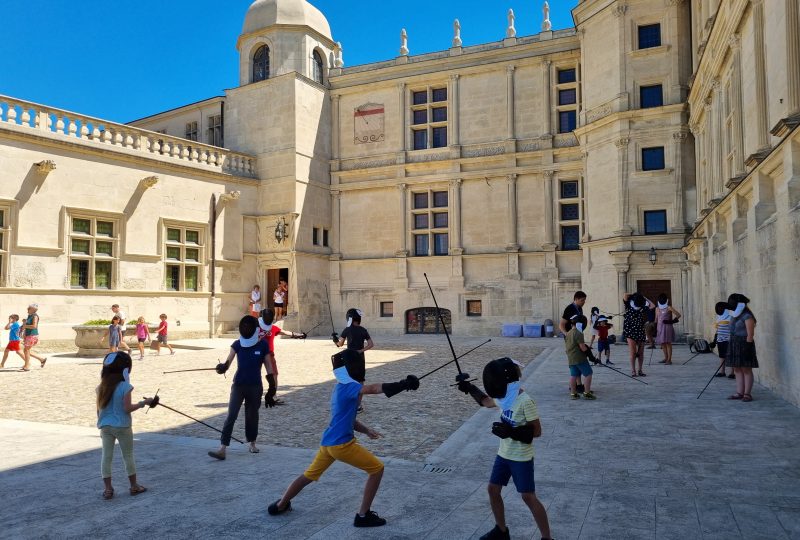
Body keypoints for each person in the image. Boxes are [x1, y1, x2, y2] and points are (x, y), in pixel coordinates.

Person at [267, 349, 419, 527]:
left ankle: (281, 504)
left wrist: (367, 430)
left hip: (328, 444)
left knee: (308, 475)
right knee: (377, 469)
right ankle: (363, 516)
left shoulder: (339, 387)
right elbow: (372, 388)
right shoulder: (350, 386)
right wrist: (402, 384)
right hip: (341, 445)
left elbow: (348, 419)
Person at [456, 358, 554, 540]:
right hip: (503, 454)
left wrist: (513, 432)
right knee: (493, 489)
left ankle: (547, 538)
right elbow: (486, 402)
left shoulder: (525, 401)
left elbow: (537, 432)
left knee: (528, 496)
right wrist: (469, 388)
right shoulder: (504, 397)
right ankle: (501, 531)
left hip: (521, 457)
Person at [209, 315, 272, 459]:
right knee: (231, 415)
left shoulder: (263, 345)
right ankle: (222, 448)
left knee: (252, 416)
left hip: (255, 386)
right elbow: (228, 362)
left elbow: (269, 365)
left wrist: (272, 386)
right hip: (238, 385)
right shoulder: (237, 344)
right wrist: (222, 368)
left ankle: (252, 444)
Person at [96, 351, 154, 499]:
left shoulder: (100, 387)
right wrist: (143, 403)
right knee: (127, 455)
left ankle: (108, 489)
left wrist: (102, 426)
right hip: (122, 426)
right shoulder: (125, 387)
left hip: (105, 426)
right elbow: (127, 408)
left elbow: (99, 410)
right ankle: (134, 486)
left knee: (106, 457)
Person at [258, 308, 306, 406]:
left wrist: (298, 335)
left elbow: (284, 332)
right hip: (258, 353)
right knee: (255, 375)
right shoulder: (256, 327)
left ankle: (273, 396)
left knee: (274, 374)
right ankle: (252, 397)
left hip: (269, 354)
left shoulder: (273, 328)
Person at [333, 308, 374, 412]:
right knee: (360, 381)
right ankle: (358, 406)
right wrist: (361, 350)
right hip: (360, 359)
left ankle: (347, 404)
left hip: (348, 358)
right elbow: (371, 344)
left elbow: (340, 344)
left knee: (348, 380)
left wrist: (335, 340)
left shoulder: (347, 330)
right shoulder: (363, 330)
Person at [725, 293, 758, 402]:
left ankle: (747, 394)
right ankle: (739, 392)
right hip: (734, 343)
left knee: (746, 369)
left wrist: (748, 349)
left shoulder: (747, 316)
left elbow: (750, 334)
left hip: (745, 344)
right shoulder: (734, 314)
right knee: (737, 369)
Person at [565, 315, 600, 399]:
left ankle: (573, 394)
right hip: (579, 358)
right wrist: (591, 357)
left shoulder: (569, 333)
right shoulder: (578, 333)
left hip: (571, 358)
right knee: (588, 373)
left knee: (573, 375)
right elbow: (583, 347)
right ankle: (586, 393)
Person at [559, 291, 587, 391]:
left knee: (578, 359)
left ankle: (578, 385)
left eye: (584, 300)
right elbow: (561, 324)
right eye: (582, 300)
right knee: (574, 360)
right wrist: (567, 335)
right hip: (571, 338)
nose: (583, 302)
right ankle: (575, 385)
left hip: (578, 337)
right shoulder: (570, 309)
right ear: (576, 299)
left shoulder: (580, 309)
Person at [622, 293, 654, 377]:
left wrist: (644, 297)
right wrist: (634, 295)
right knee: (633, 352)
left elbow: (652, 306)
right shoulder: (628, 305)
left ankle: (640, 370)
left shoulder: (642, 308)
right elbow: (625, 295)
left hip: (640, 331)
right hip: (630, 332)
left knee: (640, 352)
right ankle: (633, 371)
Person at [655, 293, 681, 365]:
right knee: (662, 343)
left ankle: (669, 360)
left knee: (668, 343)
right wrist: (654, 327)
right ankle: (666, 358)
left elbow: (678, 315)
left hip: (667, 327)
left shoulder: (669, 307)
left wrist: (671, 321)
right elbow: (656, 319)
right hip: (660, 327)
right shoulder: (657, 308)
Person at [20, 303, 46, 371]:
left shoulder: (35, 316)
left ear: (33, 309)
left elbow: (34, 326)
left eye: (29, 308)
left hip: (32, 335)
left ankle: (27, 365)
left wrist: (25, 326)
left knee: (26, 350)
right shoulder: (30, 316)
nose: (27, 309)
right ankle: (41, 359)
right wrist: (24, 324)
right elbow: (26, 326)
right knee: (26, 350)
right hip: (29, 335)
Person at [712, 301, 734, 378]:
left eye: (720, 308)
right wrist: (715, 340)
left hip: (729, 340)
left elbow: (733, 330)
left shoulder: (731, 317)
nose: (719, 309)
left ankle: (732, 373)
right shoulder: (719, 317)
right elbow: (718, 330)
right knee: (721, 356)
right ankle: (722, 371)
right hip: (720, 339)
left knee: (730, 356)